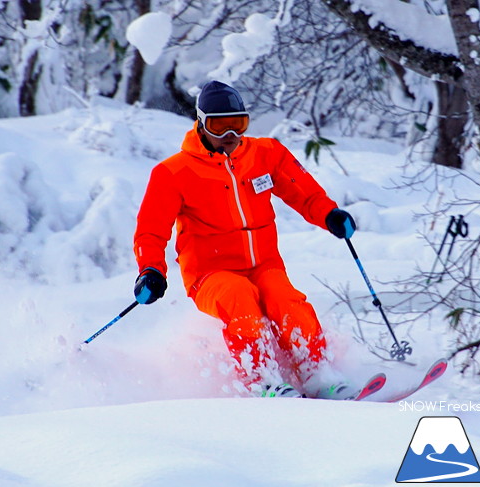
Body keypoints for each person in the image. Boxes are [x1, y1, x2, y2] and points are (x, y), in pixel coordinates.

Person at [132, 80, 356, 398]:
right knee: (238, 295)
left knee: (285, 299)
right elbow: (151, 230)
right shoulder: (174, 173)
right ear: (201, 123)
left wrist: (329, 215)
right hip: (210, 275)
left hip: (264, 266)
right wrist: (151, 270)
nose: (230, 136)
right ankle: (263, 381)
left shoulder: (265, 154)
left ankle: (319, 375)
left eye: (237, 125)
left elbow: (305, 193)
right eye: (219, 126)